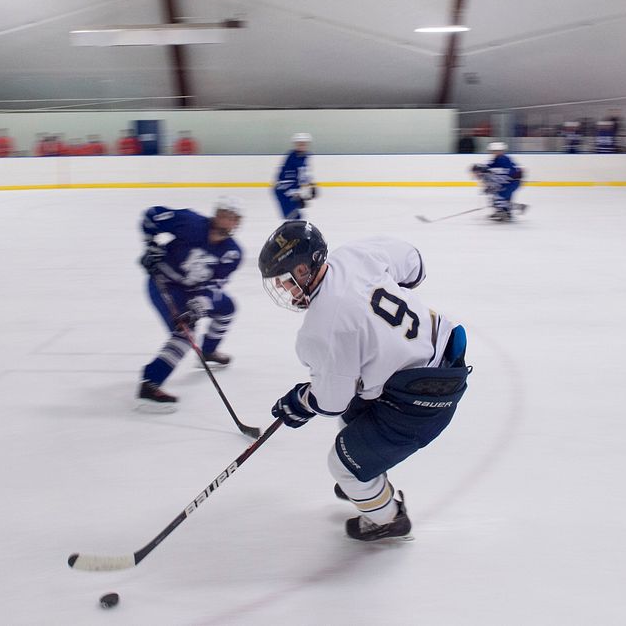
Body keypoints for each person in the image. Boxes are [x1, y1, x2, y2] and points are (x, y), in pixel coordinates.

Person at [258, 220, 470, 541]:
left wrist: (300, 401)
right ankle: (367, 476)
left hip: (423, 399)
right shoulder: (354, 255)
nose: (286, 290)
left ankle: (388, 519)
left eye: (286, 281)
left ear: (303, 269)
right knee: (354, 412)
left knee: (342, 466)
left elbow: (330, 402)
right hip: (444, 356)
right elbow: (415, 265)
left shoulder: (321, 330)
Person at [137, 198, 243, 407]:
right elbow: (152, 215)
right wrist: (150, 245)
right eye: (224, 214)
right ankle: (151, 382)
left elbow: (215, 285)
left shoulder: (232, 253)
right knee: (185, 334)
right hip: (165, 285)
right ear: (216, 213)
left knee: (227, 308)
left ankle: (208, 350)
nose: (227, 220)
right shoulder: (189, 222)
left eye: (233, 218)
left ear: (237, 223)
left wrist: (199, 305)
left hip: (193, 292)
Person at [473, 142, 524, 222]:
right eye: (494, 151)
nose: (496, 153)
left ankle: (506, 211)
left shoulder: (504, 159)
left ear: (503, 151)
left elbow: (507, 172)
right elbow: (488, 167)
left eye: (498, 151)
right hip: (507, 182)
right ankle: (505, 211)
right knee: (499, 197)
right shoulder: (494, 160)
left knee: (500, 196)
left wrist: (489, 172)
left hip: (512, 182)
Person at [274, 132, 317, 220]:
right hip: (283, 192)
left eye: (304, 144)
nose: (302, 146)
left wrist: (312, 185)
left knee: (297, 218)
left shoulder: (304, 156)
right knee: (293, 218)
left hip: (291, 191)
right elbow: (285, 181)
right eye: (299, 144)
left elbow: (305, 174)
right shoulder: (292, 157)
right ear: (295, 145)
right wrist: (297, 194)